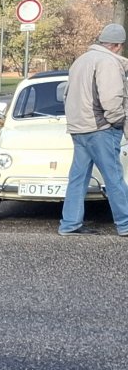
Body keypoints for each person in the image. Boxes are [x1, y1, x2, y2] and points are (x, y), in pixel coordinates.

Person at [59, 22, 128, 236]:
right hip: (100, 127)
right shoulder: (107, 62)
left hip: (79, 127)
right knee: (113, 176)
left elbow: (65, 94)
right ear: (117, 45)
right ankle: (125, 224)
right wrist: (118, 121)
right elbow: (111, 98)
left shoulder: (80, 61)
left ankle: (69, 224)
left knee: (78, 177)